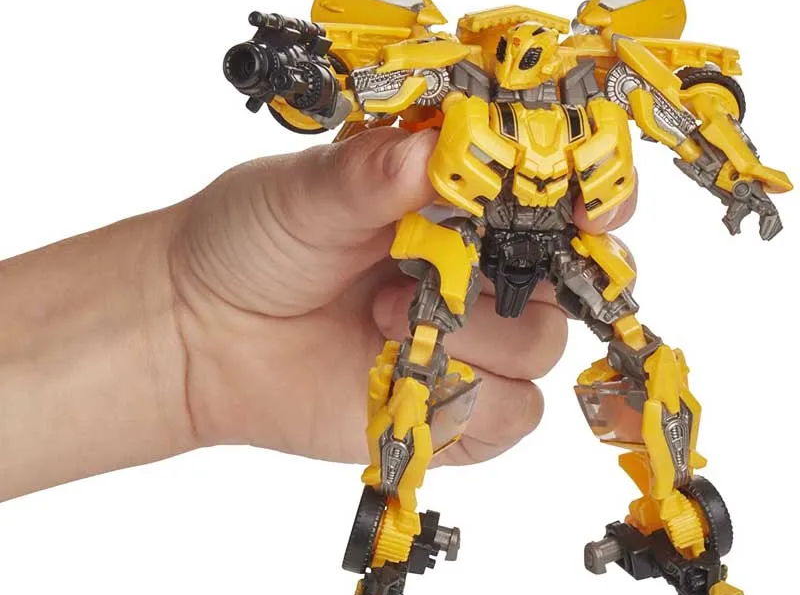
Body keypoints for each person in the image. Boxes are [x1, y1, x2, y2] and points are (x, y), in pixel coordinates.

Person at [0, 128, 635, 501]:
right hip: (454, 243)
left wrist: (187, 321)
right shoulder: (470, 92)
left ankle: (675, 500)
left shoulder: (590, 104)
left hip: (549, 245)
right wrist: (184, 326)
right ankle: (391, 525)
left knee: (636, 343)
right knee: (417, 373)